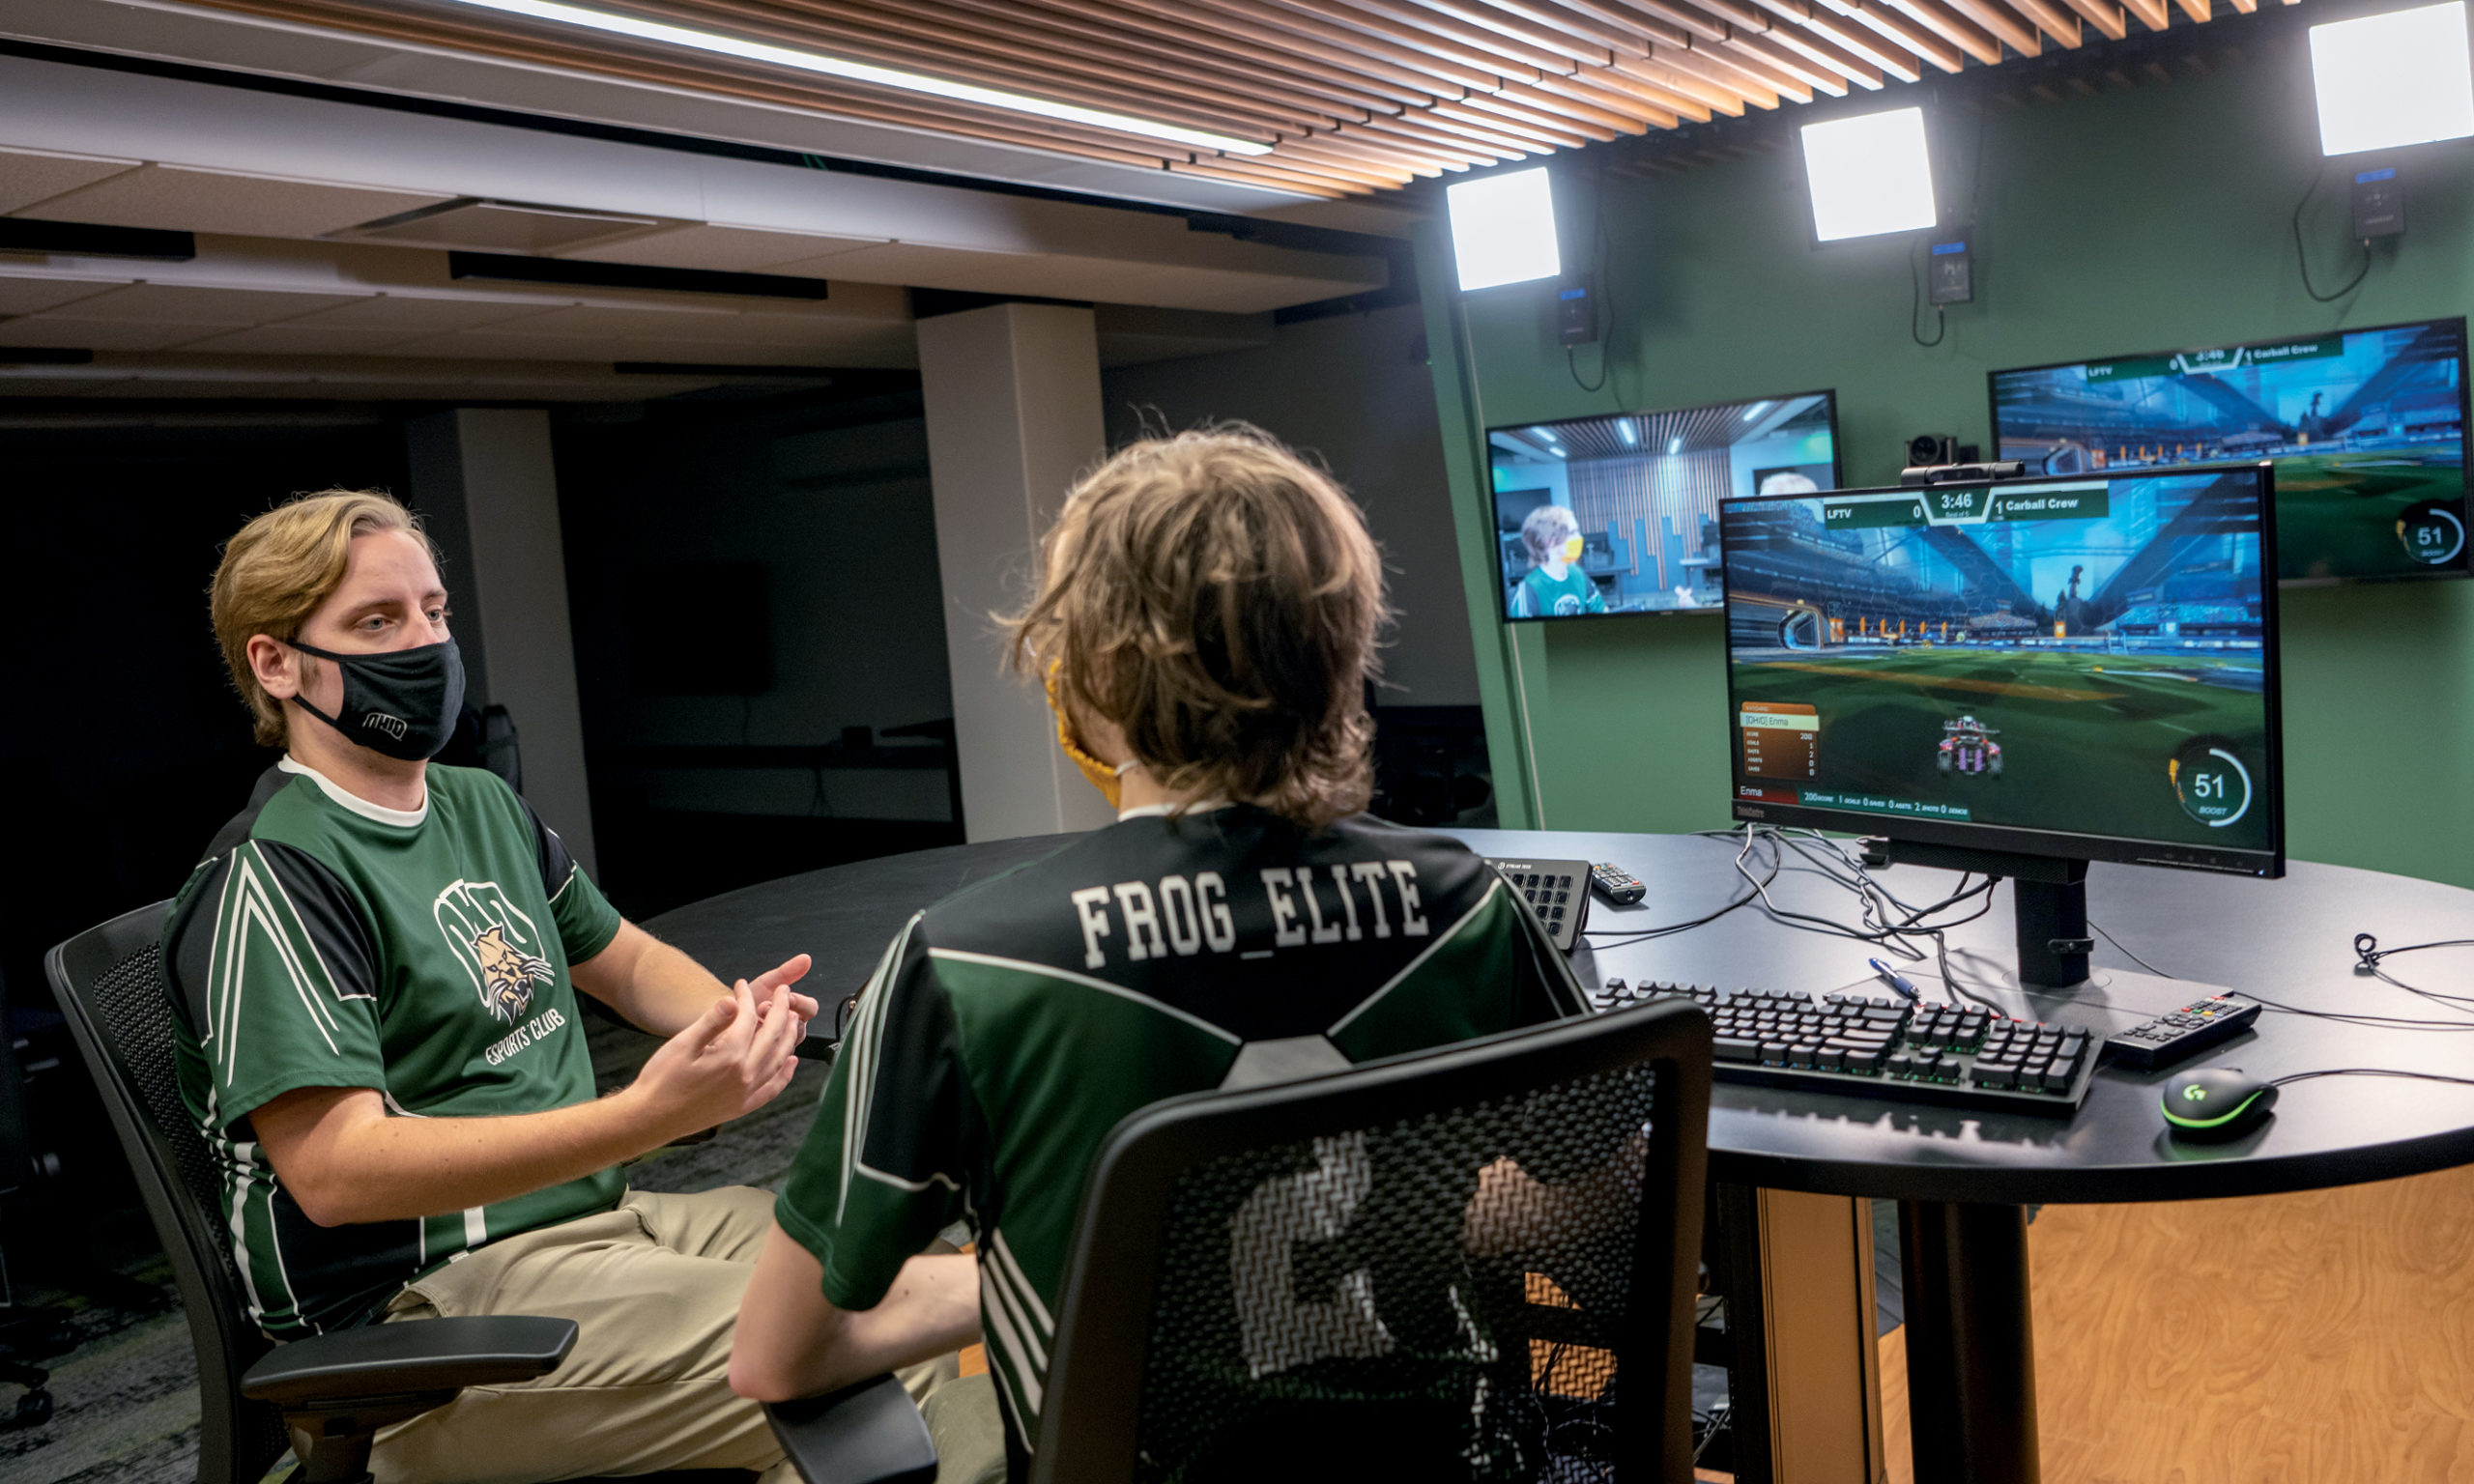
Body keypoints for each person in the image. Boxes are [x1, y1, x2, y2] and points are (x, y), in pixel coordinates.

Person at [731, 429, 1593, 1478]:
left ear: (1085, 669)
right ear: (1341, 650)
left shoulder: (964, 964)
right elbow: (1612, 1218)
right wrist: (1421, 1207)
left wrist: (1012, 1272)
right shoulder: (1470, 906)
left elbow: (777, 1358)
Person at [158, 490, 976, 1484]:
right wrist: (644, 1116)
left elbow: (624, 960)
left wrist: (731, 1022)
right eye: (377, 622)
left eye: (434, 612)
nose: (424, 643)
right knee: (893, 1360)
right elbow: (337, 1171)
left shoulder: (479, 805)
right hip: (429, 1321)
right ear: (276, 663)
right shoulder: (275, 877)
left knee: (913, 1267)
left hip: (594, 1223)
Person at [1508, 503, 1607, 617]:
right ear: (1548, 541)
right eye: (1572, 533)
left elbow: (1601, 611)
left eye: (1577, 531)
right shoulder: (1529, 589)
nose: (1579, 538)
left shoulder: (1578, 574)